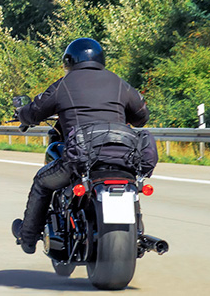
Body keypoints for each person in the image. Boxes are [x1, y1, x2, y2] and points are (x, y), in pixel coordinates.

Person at [11, 38, 150, 254]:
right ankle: (136, 232)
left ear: (69, 62)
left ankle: (27, 238)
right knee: (131, 184)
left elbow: (35, 111)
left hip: (83, 156)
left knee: (42, 181)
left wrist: (21, 113)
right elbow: (141, 116)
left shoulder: (65, 84)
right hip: (124, 156)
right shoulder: (118, 82)